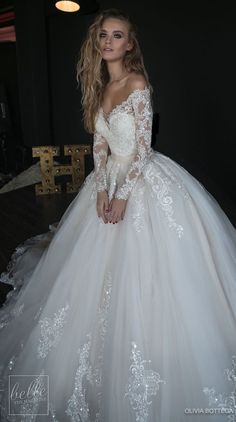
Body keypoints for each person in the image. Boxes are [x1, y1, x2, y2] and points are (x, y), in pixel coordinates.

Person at [0, 8, 236, 422]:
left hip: (140, 180)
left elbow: (142, 149)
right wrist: (99, 188)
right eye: (104, 35)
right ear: (98, 43)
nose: (109, 41)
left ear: (129, 43)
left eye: (118, 35)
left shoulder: (137, 83)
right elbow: (99, 145)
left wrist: (123, 194)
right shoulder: (99, 87)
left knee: (150, 271)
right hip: (107, 181)